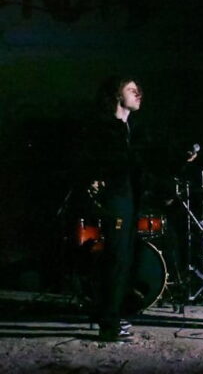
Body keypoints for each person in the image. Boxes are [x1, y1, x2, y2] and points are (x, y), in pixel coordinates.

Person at [82, 76, 144, 341]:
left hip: (129, 201)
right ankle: (109, 324)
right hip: (115, 201)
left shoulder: (131, 129)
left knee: (124, 260)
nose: (138, 94)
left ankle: (114, 315)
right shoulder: (104, 128)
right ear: (118, 95)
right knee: (116, 261)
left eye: (138, 90)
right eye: (131, 90)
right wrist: (94, 178)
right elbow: (90, 160)